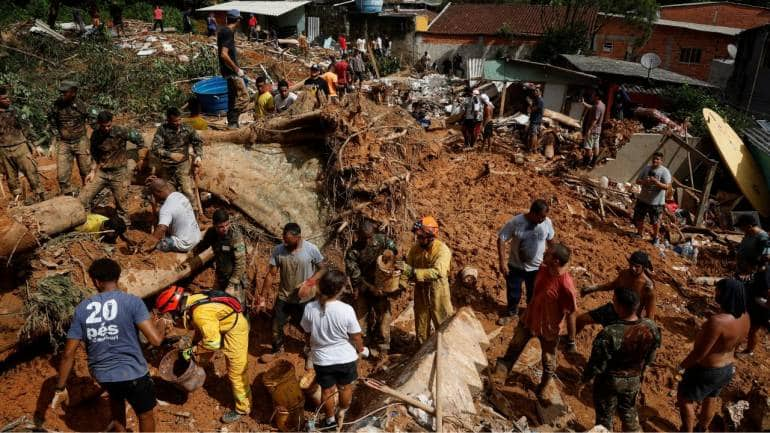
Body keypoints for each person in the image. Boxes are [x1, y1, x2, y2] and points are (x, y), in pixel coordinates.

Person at [52, 258, 167, 432]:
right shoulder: (132, 302)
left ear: (96, 281)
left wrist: (60, 388)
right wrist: (163, 326)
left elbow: (68, 353)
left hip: (103, 375)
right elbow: (156, 340)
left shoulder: (83, 309)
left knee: (117, 403)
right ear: (117, 277)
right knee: (145, 414)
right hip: (133, 373)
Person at [155, 284, 250, 424]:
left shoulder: (200, 314)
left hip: (234, 329)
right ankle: (197, 374)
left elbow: (213, 343)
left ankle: (242, 409)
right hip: (219, 323)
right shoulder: (193, 300)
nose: (172, 318)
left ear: (176, 308)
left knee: (236, 372)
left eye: (170, 314)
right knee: (198, 345)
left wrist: (192, 350)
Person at [494, 244, 577, 396]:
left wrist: (571, 340)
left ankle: (543, 388)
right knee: (515, 345)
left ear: (556, 261)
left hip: (549, 329)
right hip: (529, 319)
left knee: (548, 361)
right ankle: (501, 373)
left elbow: (571, 313)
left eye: (549, 253)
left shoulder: (565, 285)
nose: (545, 252)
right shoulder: (543, 268)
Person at [583, 287, 661, 431]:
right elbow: (651, 356)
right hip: (634, 379)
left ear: (619, 306)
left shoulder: (610, 333)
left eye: (614, 302)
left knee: (605, 418)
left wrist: (584, 379)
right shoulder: (651, 327)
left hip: (609, 382)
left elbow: (597, 364)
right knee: (629, 411)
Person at [677, 278, 750, 432]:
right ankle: (702, 429)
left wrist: (681, 366)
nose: (715, 292)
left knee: (685, 398)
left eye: (718, 290)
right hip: (727, 368)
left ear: (726, 295)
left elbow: (699, 353)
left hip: (707, 370)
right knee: (711, 397)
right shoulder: (745, 317)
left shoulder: (717, 322)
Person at [301, 270, 369, 430]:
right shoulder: (346, 310)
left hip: (322, 360)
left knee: (327, 390)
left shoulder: (310, 308)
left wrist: (311, 346)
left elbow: (307, 331)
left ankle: (330, 420)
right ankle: (342, 412)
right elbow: (356, 337)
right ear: (339, 289)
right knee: (345, 387)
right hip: (345, 359)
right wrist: (361, 350)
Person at [258, 223, 326, 354]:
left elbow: (323, 269)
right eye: (284, 240)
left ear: (298, 237)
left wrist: (310, 282)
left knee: (309, 327)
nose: (285, 243)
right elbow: (271, 275)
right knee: (276, 325)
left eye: (288, 241)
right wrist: (262, 296)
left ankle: (310, 352)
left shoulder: (311, 249)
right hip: (285, 297)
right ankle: (278, 349)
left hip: (306, 297)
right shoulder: (279, 250)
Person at [496, 199, 556, 324]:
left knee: (533, 293)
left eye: (545, 217)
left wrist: (552, 262)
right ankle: (512, 313)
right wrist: (502, 262)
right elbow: (502, 239)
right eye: (541, 217)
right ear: (533, 213)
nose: (543, 220)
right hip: (516, 266)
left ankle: (530, 314)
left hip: (536, 268)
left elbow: (551, 242)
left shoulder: (546, 223)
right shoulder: (516, 222)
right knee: (514, 292)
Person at [80, 110, 145, 222]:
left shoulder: (121, 131)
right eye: (103, 126)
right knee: (83, 197)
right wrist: (92, 171)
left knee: (122, 204)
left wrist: (140, 159)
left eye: (108, 126)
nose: (106, 128)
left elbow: (140, 140)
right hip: (102, 172)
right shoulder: (96, 135)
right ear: (99, 124)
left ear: (112, 122)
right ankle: (84, 219)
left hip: (119, 172)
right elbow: (94, 154)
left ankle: (123, 224)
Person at [398, 216, 454, 344]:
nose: (419, 239)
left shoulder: (442, 250)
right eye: (418, 237)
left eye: (421, 237)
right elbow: (407, 268)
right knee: (421, 325)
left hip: (438, 290)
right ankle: (421, 352)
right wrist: (402, 283)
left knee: (443, 323)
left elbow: (438, 272)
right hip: (421, 290)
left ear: (431, 235)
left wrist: (413, 272)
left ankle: (446, 353)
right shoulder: (415, 249)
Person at [345, 221, 398, 354]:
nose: (367, 240)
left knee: (384, 317)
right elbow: (356, 277)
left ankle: (383, 349)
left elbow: (394, 249)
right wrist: (371, 288)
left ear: (373, 234)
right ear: (358, 236)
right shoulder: (353, 252)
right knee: (361, 320)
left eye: (369, 237)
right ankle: (362, 347)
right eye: (364, 237)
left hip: (382, 285)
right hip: (364, 287)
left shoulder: (382, 240)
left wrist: (389, 252)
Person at [181, 209, 248, 304]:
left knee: (236, 307)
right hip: (220, 276)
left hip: (234, 279)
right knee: (215, 304)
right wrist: (188, 260)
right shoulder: (211, 233)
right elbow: (200, 248)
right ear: (215, 226)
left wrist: (232, 284)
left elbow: (241, 264)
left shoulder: (235, 237)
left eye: (227, 225)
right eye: (221, 227)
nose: (225, 228)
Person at [578, 251, 656, 332]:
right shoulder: (624, 274)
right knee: (581, 319)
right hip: (614, 310)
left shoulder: (647, 287)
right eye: (631, 264)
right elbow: (612, 285)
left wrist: (644, 330)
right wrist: (593, 288)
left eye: (637, 266)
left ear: (643, 267)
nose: (633, 268)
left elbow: (650, 316)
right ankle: (570, 341)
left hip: (628, 320)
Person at [150, 106, 204, 213]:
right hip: (167, 166)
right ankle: (173, 217)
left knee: (187, 191)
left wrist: (198, 156)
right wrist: (170, 155)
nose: (178, 123)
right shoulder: (162, 129)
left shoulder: (187, 128)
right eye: (175, 121)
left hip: (183, 165)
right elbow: (155, 148)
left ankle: (194, 215)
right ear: (168, 120)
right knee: (168, 194)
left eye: (179, 119)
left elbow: (197, 141)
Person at [0, 86, 45, 204]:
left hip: (21, 146)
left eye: (8, 97)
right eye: (4, 98)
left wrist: (35, 145)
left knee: (31, 171)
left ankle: (39, 195)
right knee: (11, 177)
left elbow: (27, 129)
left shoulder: (16, 111)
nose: (8, 100)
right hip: (4, 150)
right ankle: (17, 198)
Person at [48, 80, 93, 197]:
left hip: (81, 141)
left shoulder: (81, 105)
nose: (62, 94)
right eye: (61, 92)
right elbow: (51, 121)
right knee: (62, 175)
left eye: (65, 92)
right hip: (64, 142)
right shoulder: (56, 105)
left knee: (86, 170)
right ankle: (68, 195)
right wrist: (56, 138)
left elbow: (93, 122)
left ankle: (89, 194)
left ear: (73, 92)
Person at [143, 177, 200, 253]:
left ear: (157, 192)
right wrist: (154, 206)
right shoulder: (179, 195)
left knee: (159, 245)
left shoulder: (166, 208)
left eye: (153, 194)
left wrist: (148, 244)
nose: (154, 197)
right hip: (196, 237)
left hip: (186, 244)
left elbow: (161, 228)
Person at [218, 10, 248, 129]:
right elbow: (224, 54)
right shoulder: (228, 32)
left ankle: (232, 123)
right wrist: (236, 69)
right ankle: (233, 121)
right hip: (231, 72)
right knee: (244, 98)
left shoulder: (222, 31)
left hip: (227, 71)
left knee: (232, 96)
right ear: (238, 20)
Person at [633, 151, 671, 244]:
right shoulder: (646, 168)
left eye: (657, 159)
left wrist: (656, 182)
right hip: (643, 198)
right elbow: (637, 181)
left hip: (656, 202)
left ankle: (655, 238)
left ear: (661, 161)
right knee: (639, 217)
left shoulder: (664, 171)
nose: (655, 160)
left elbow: (667, 187)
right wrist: (644, 181)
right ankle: (639, 233)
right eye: (654, 158)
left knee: (655, 221)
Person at [743, 266, 770, 356]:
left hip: (759, 307)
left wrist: (765, 304)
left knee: (753, 329)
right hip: (758, 303)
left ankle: (749, 350)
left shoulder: (766, 272)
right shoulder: (765, 270)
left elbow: (768, 290)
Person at [581, 92, 605, 167]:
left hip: (593, 130)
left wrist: (589, 130)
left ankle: (586, 162)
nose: (593, 97)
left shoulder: (598, 106)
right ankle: (593, 162)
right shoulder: (602, 105)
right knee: (596, 145)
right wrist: (584, 103)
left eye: (594, 95)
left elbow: (595, 119)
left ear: (597, 97)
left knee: (588, 147)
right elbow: (592, 108)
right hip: (598, 130)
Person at [528, 87, 544, 153]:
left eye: (537, 91)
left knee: (534, 135)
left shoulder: (540, 101)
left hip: (535, 120)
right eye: (535, 91)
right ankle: (534, 148)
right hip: (535, 119)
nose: (535, 92)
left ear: (540, 92)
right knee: (534, 134)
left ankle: (532, 149)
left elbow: (534, 109)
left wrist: (530, 104)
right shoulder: (537, 100)